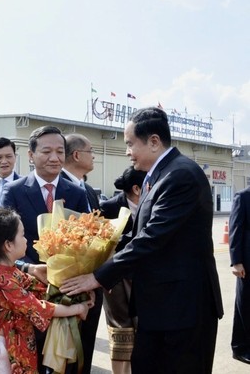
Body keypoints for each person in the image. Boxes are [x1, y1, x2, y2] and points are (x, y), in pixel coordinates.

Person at [61, 107, 224, 373]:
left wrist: (99, 276)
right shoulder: (158, 175)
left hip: (183, 309)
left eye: (129, 144)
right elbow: (138, 235)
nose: (127, 151)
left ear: (154, 141)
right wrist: (93, 252)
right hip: (161, 308)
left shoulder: (180, 175)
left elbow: (152, 238)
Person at [0, 125, 89, 371]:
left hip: (66, 291)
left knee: (65, 361)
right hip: (26, 290)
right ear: (31, 155)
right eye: (47, 151)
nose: (54, 157)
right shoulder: (14, 191)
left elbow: (86, 242)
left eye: (60, 151)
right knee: (32, 360)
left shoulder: (77, 193)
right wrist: (29, 268)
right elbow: (1, 244)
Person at [0, 208, 92, 373]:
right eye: (22, 235)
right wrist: (77, 308)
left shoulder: (8, 271)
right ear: (8, 245)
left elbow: (41, 289)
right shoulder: (1, 279)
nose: (26, 240)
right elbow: (38, 307)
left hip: (14, 341)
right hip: (2, 348)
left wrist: (77, 289)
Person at [60, 133, 102, 373]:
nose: (94, 155)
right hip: (66, 286)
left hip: (92, 284)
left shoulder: (88, 189)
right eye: (91, 150)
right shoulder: (58, 188)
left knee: (85, 349)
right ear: (77, 155)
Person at [98, 166, 146, 374]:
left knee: (142, 331)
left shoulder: (153, 206)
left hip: (144, 280)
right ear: (137, 189)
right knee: (121, 331)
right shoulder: (107, 209)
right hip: (115, 281)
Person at [229, 185, 250, 364]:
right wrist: (236, 261)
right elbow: (235, 229)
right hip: (247, 263)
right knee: (245, 305)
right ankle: (241, 348)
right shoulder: (243, 196)